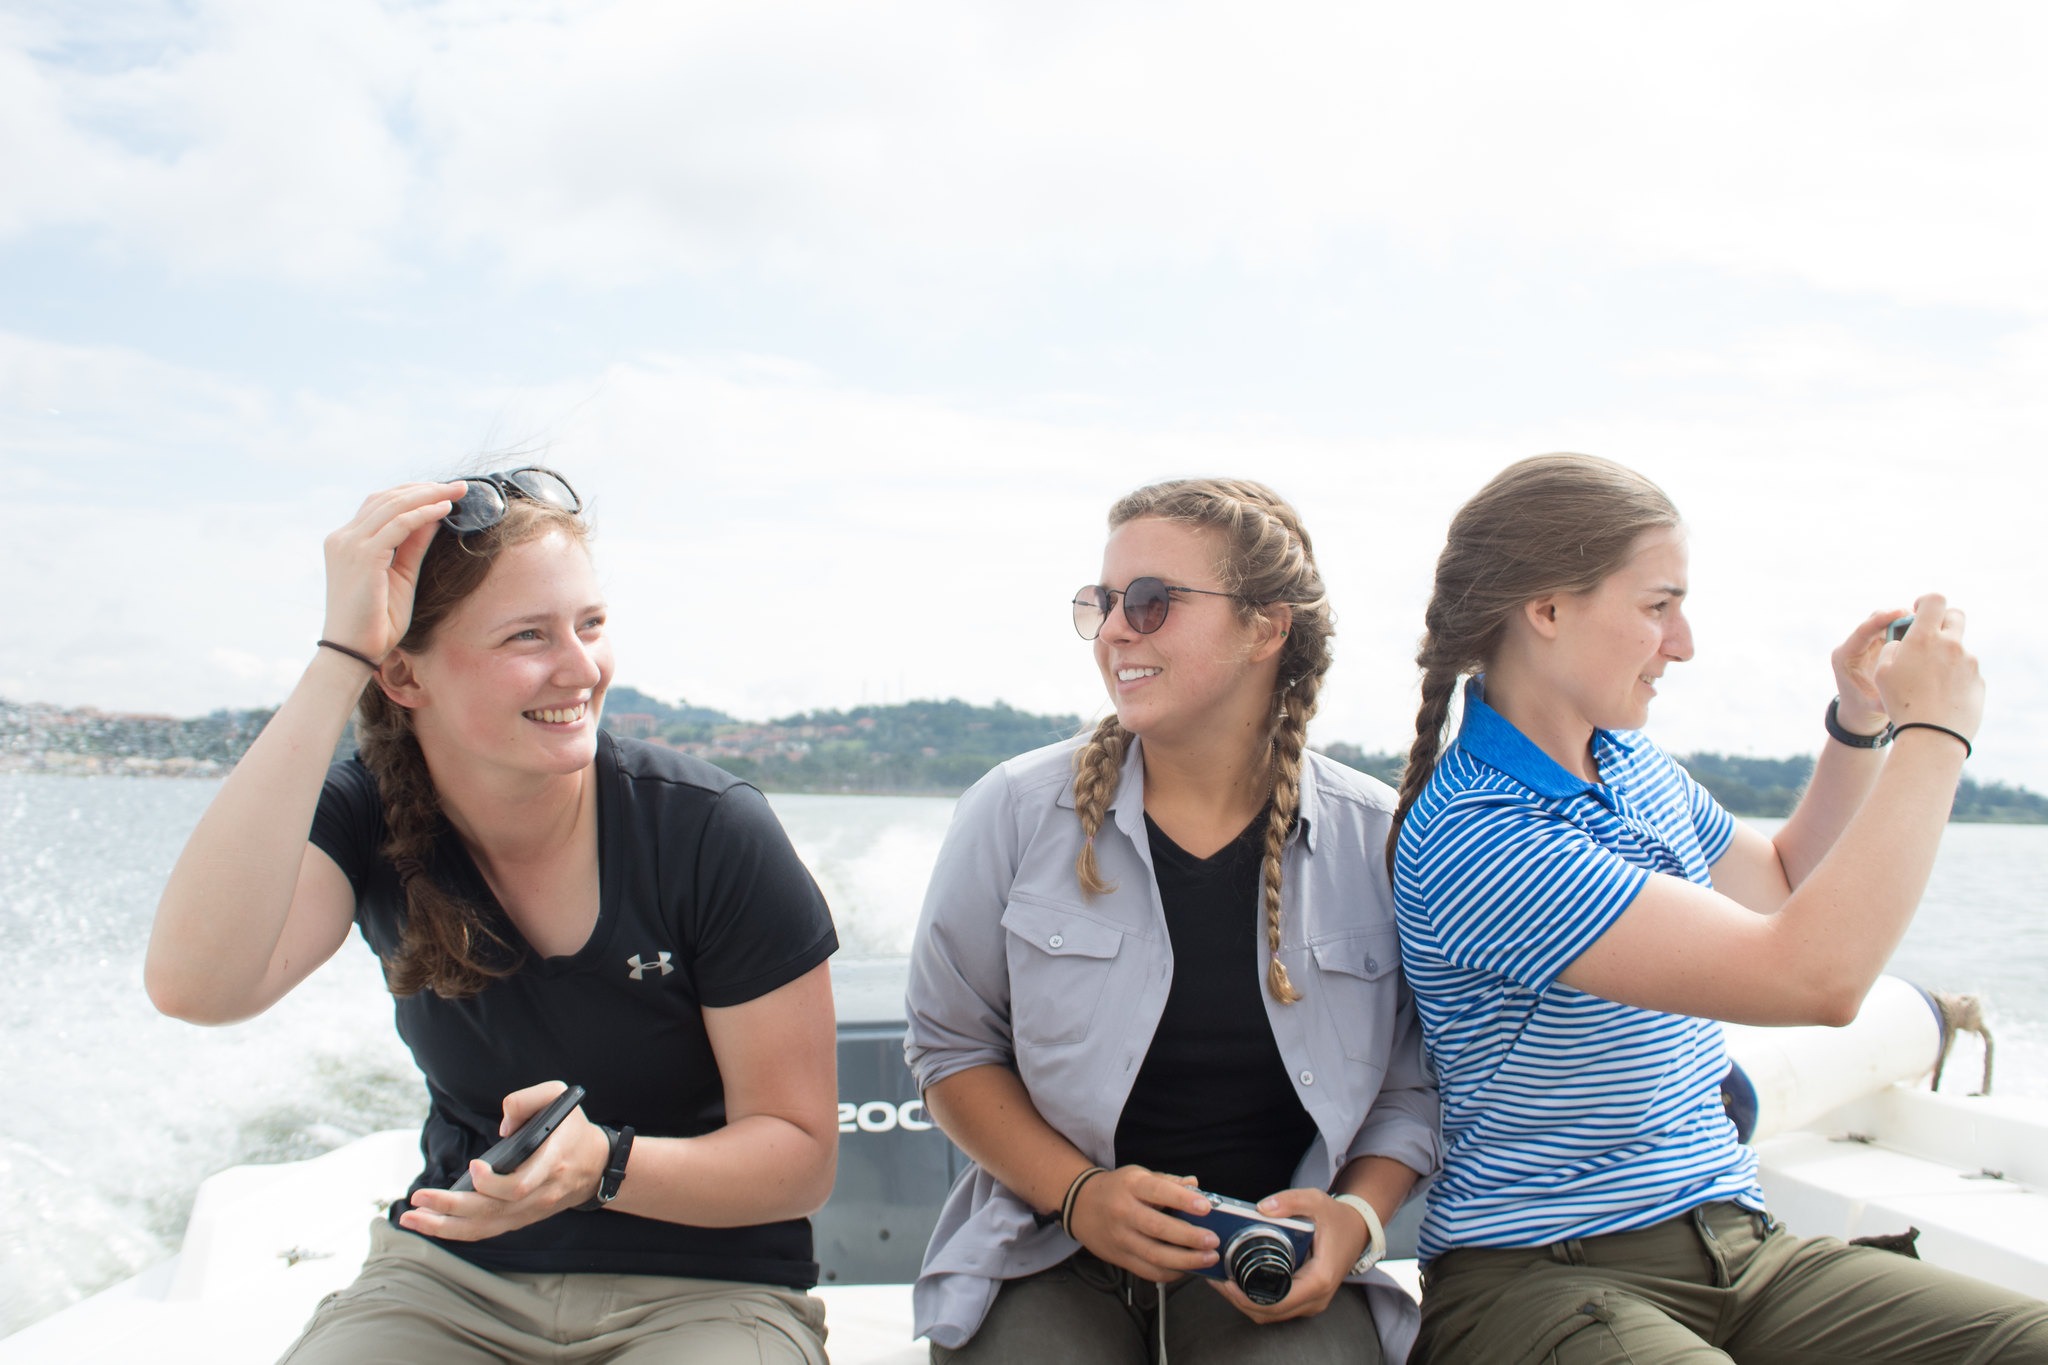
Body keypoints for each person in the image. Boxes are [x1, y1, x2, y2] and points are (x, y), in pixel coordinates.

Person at [145, 471, 839, 1364]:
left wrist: (604, 1164)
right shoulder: (366, 816)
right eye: (528, 635)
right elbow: (196, 986)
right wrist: (338, 658)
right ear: (403, 673)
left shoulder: (708, 830)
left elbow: (800, 1159)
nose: (582, 668)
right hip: (451, 1279)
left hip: (706, 1290)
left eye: (590, 624)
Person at [1387, 452, 2048, 1363]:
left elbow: (1784, 883)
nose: (1684, 643)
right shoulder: (1482, 834)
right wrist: (1936, 735)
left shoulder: (1628, 763)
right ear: (1546, 609)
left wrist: (1860, 723)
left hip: (1738, 1242)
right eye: (1659, 606)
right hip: (1539, 1277)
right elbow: (1815, 979)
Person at [904, 478, 1439, 1365]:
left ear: (1266, 628)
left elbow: (1410, 1085)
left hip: (1273, 1255)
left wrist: (1355, 1218)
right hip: (1050, 1245)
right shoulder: (1012, 812)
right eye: (1104, 601)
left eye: (1151, 601)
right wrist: (1080, 1194)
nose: (1116, 629)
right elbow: (951, 1048)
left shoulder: (1377, 841)